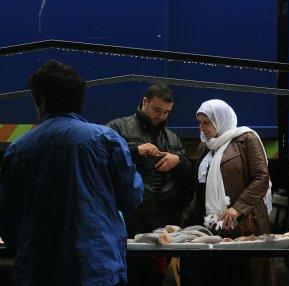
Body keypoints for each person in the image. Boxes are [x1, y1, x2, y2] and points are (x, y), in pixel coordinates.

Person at [0, 59, 144, 286]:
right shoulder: (105, 140)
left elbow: (8, 217)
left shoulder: (18, 150)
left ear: (42, 101)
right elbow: (130, 197)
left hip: (37, 269)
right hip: (95, 267)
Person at [105, 83, 194, 285]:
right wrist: (135, 151)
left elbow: (189, 178)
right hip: (129, 218)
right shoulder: (117, 127)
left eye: (166, 112)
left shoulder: (172, 137)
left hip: (161, 220)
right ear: (144, 101)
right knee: (128, 274)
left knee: (156, 277)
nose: (161, 116)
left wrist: (178, 162)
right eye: (157, 110)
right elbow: (100, 159)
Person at [181, 99, 276, 286]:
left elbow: (261, 178)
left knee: (241, 275)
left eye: (206, 122)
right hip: (212, 226)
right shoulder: (205, 147)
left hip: (243, 223)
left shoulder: (246, 138)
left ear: (220, 119)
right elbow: (200, 188)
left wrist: (237, 209)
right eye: (200, 122)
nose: (201, 128)